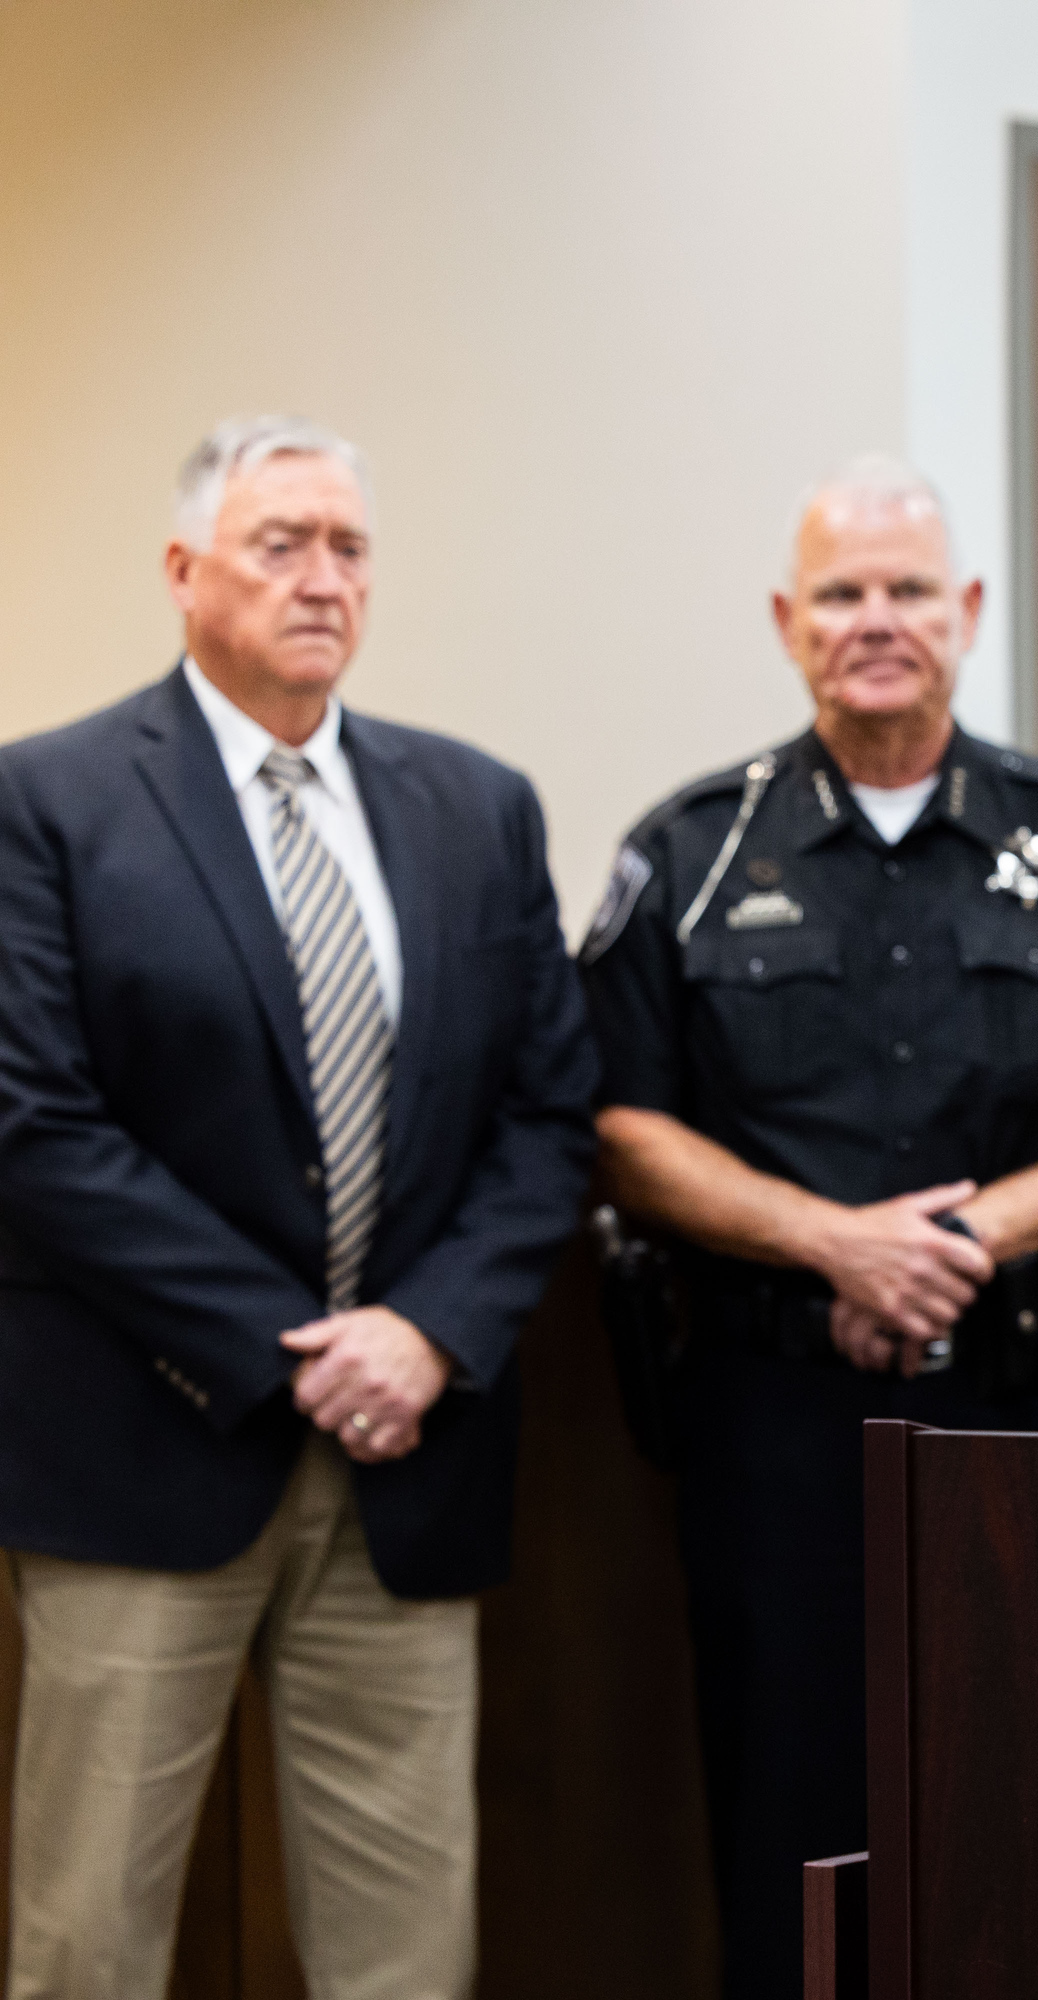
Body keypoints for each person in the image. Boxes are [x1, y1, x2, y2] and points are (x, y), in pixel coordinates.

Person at [580, 456, 1038, 1999]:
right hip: (776, 1418)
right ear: (785, 620)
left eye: (906, 591)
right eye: (840, 593)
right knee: (786, 1801)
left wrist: (960, 1241)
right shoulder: (688, 853)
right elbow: (619, 1131)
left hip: (1028, 1403)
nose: (875, 620)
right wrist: (835, 1242)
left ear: (967, 612)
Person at [0, 416, 598, 2000]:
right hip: (148, 1450)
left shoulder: (478, 809)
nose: (321, 577)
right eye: (280, 543)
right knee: (89, 1940)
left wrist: (426, 1335)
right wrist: (292, 1350)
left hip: (410, 1457)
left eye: (348, 547)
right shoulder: (46, 804)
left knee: (407, 1948)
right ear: (186, 573)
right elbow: (32, 1122)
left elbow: (548, 1116)